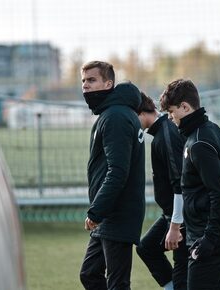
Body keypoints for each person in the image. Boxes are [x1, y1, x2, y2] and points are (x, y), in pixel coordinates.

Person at [161, 79, 220, 290]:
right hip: (210, 232)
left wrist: (209, 238)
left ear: (185, 107)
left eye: (171, 112)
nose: (171, 118)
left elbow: (219, 192)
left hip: (211, 236)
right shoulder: (208, 129)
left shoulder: (198, 143)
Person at [79, 61, 146, 290]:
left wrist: (97, 210)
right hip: (109, 215)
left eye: (92, 80)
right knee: (89, 274)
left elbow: (118, 171)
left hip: (117, 213)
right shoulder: (111, 114)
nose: (85, 86)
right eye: (83, 81)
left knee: (118, 284)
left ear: (108, 84)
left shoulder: (116, 117)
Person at [135, 92, 188, 290]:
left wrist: (176, 226)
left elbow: (179, 183)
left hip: (182, 217)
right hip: (171, 214)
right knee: (147, 248)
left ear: (141, 113)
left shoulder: (166, 134)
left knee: (183, 270)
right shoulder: (160, 133)